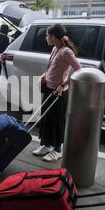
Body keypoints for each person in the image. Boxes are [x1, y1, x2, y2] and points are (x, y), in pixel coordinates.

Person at [32, 24, 82, 162]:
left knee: (56, 122)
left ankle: (58, 150)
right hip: (48, 89)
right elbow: (53, 68)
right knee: (47, 119)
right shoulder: (55, 48)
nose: (45, 38)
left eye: (47, 35)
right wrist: (44, 75)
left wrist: (64, 85)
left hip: (58, 93)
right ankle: (46, 145)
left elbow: (79, 70)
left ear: (53, 37)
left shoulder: (66, 52)